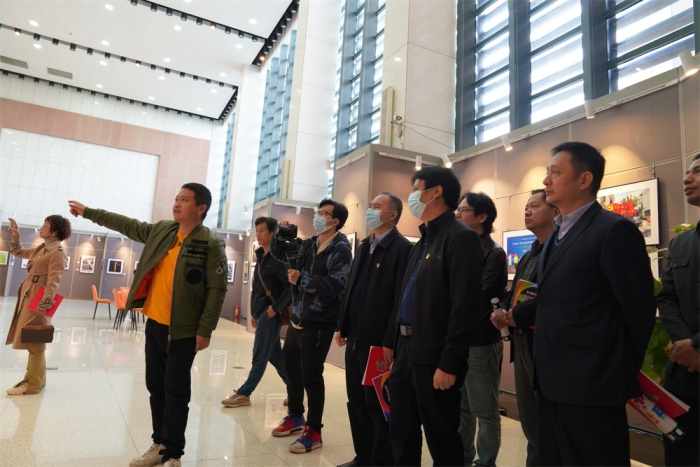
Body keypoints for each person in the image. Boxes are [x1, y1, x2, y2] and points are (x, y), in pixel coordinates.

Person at [68, 183, 227, 467]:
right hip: (155, 324)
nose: (177, 203)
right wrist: (89, 212)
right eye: (176, 198)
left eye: (185, 200)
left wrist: (205, 330)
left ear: (201, 208)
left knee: (176, 391)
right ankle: (159, 443)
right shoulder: (163, 230)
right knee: (155, 386)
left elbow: (217, 289)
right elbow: (126, 224)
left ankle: (173, 453)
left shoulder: (210, 243)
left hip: (183, 331)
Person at [535, 142, 656, 465]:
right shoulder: (555, 234)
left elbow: (639, 311)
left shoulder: (613, 230)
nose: (546, 180)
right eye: (547, 172)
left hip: (593, 383)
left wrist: (615, 371)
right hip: (551, 379)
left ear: (584, 179)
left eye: (555, 172)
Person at [388, 166, 484, 466]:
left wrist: (449, 362)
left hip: (435, 354)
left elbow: (464, 307)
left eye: (416, 189)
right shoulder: (423, 241)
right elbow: (405, 298)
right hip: (406, 349)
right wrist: (393, 345)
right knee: (401, 428)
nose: (412, 196)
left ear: (435, 192)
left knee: (441, 435)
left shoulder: (460, 237)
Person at [334, 192, 412, 467]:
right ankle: (363, 456)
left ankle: (381, 460)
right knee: (355, 401)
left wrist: (390, 339)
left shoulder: (402, 249)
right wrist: (342, 325)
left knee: (377, 404)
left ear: (392, 214)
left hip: (379, 343)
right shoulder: (365, 245)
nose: (370, 210)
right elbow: (351, 289)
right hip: (355, 338)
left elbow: (400, 300)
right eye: (370, 206)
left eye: (377, 207)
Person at [273, 199, 352, 454]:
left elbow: (337, 285)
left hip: (320, 320)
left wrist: (302, 279)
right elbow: (280, 254)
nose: (318, 216)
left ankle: (314, 430)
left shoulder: (341, 249)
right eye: (318, 211)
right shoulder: (309, 244)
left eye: (323, 213)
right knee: (292, 368)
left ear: (335, 221)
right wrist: (281, 234)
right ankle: (296, 415)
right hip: (298, 316)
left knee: (311, 374)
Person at [491, 189, 558, 466]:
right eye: (526, 207)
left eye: (535, 206)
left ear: (555, 211)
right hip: (521, 339)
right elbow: (517, 290)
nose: (527, 211)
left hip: (544, 341)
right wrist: (504, 312)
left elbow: (549, 295)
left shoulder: (559, 249)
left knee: (546, 420)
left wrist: (515, 314)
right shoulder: (530, 252)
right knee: (530, 418)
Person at [455, 192, 507, 466]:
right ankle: (462, 459)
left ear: (482, 217)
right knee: (462, 408)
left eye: (464, 210)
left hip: (480, 341)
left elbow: (480, 295)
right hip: (458, 340)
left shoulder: (493, 253)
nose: (458, 214)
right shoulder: (459, 248)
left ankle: (485, 462)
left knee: (484, 410)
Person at [221, 217, 291, 408]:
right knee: (275, 356)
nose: (258, 234)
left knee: (259, 355)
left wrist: (275, 309)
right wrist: (254, 313)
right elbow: (258, 288)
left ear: (272, 233)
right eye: (256, 230)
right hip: (262, 313)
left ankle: (244, 393)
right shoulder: (261, 256)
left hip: (270, 314)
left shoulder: (278, 259)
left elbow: (290, 289)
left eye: (262, 230)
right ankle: (295, 389)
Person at [657, 153, 700, 466]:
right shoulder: (680, 244)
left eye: (697, 172)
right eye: (686, 172)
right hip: (683, 380)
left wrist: (697, 345)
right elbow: (667, 298)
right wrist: (687, 345)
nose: (687, 179)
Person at [5, 215, 71, 396]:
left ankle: (32, 384)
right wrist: (16, 236)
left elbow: (54, 282)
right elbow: (19, 252)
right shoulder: (43, 248)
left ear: (54, 231)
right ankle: (36, 380)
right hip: (29, 293)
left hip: (37, 296)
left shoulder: (57, 252)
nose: (41, 228)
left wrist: (44, 304)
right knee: (32, 339)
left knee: (35, 340)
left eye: (45, 225)